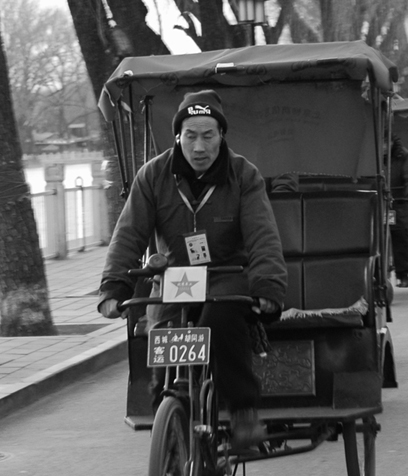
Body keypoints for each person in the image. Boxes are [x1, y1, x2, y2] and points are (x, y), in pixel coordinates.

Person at [98, 89, 287, 449]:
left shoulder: (243, 175)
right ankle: (168, 435)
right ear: (177, 137)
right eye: (190, 136)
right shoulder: (153, 176)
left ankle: (244, 411)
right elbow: (129, 234)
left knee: (222, 320)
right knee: (163, 335)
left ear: (221, 136)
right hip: (175, 278)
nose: (199, 147)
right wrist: (113, 286)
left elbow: (264, 236)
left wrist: (267, 288)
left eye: (208, 135)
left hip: (226, 275)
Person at [386, 134, 408, 288]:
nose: (383, 146)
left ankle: (403, 274)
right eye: (380, 142)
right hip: (372, 203)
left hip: (395, 204)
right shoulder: (366, 155)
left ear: (392, 142)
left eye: (386, 142)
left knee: (399, 234)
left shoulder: (403, 156)